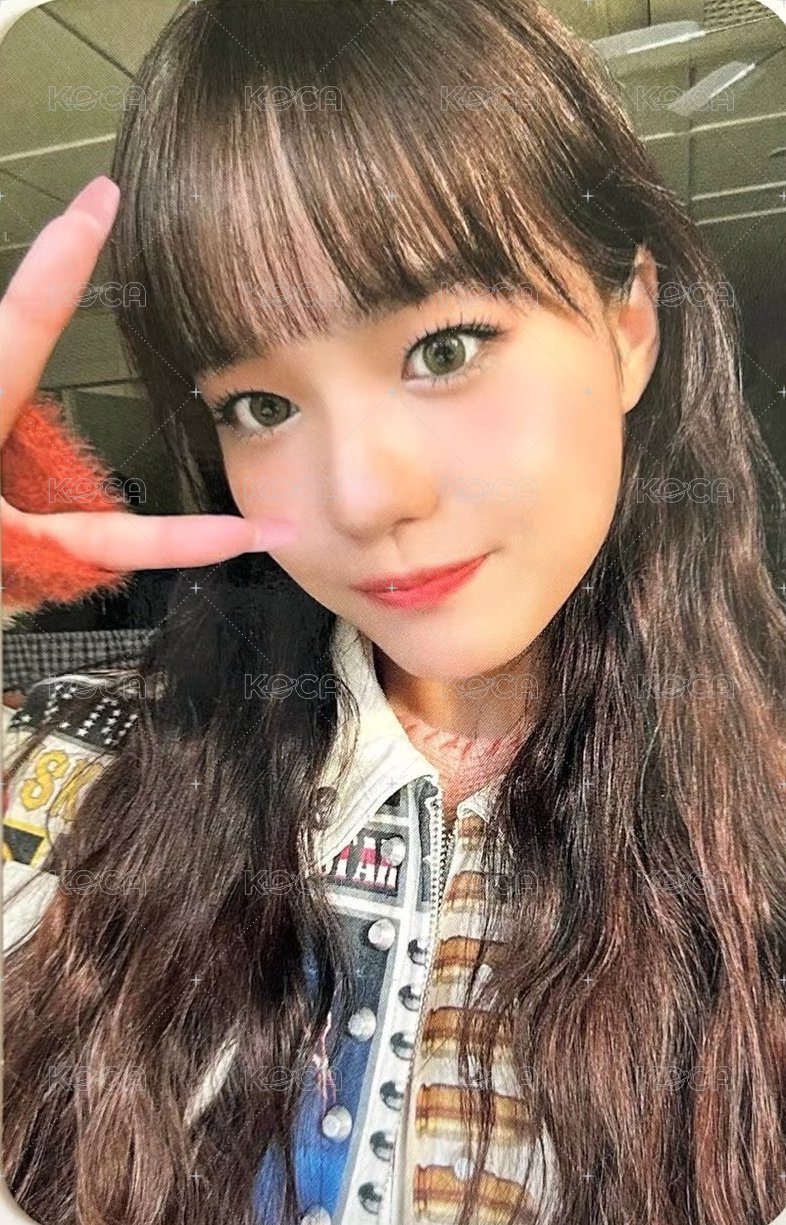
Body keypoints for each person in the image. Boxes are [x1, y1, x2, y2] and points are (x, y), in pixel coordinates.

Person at [3, 2, 786, 1223]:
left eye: (446, 347)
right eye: (261, 406)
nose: (363, 499)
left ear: (630, 324)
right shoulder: (76, 768)